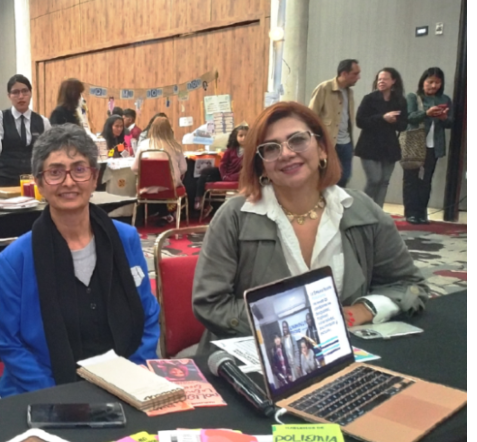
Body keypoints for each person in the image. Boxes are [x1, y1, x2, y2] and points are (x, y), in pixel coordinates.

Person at [192, 102, 429, 358]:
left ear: (323, 148)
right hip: (253, 362)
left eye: (297, 140)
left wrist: (365, 310)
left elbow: (408, 284)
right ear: (261, 165)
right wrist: (300, 324)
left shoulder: (362, 210)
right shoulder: (234, 217)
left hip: (342, 358)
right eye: (270, 148)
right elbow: (212, 306)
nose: (285, 153)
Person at [0, 126, 160, 397]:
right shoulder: (15, 259)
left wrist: (135, 374)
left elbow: (148, 314)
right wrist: (60, 397)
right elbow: (10, 344)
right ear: (39, 182)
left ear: (94, 177)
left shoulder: (126, 239)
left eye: (80, 169)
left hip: (126, 385)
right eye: (55, 172)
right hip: (43, 391)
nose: (68, 182)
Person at [403, 68, 454, 225]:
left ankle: (422, 213)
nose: (433, 85)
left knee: (426, 180)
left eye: (437, 82)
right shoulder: (413, 97)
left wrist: (445, 118)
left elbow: (451, 123)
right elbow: (409, 117)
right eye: (430, 81)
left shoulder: (444, 98)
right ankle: (410, 213)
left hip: (434, 145)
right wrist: (426, 113)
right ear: (423, 82)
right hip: (415, 144)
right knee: (411, 180)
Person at [355, 68, 408, 208]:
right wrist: (383, 118)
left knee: (384, 181)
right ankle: (362, 209)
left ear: (393, 81)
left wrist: (394, 120)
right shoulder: (369, 99)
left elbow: (403, 125)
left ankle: (378, 212)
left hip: (389, 146)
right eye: (379, 79)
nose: (381, 81)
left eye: (385, 79)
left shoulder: (400, 100)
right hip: (369, 145)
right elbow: (360, 121)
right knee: (374, 179)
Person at [0, 74, 51, 186]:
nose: (21, 96)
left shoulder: (42, 121)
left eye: (25, 91)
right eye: (15, 92)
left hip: (33, 182)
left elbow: (50, 152)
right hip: (5, 180)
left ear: (31, 93)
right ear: (9, 96)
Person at [309, 59, 362, 188]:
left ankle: (338, 205)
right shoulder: (324, 88)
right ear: (344, 73)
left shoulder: (349, 92)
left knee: (345, 177)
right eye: (355, 74)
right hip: (329, 143)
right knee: (328, 177)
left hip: (346, 142)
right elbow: (310, 116)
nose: (358, 77)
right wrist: (317, 142)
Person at [194, 123, 248, 211]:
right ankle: (199, 199)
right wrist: (224, 176)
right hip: (226, 175)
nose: (244, 138)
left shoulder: (251, 151)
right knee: (205, 172)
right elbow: (223, 164)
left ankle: (212, 206)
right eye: (241, 135)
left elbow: (245, 170)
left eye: (246, 135)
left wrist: (229, 178)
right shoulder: (230, 150)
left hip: (239, 176)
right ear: (235, 137)